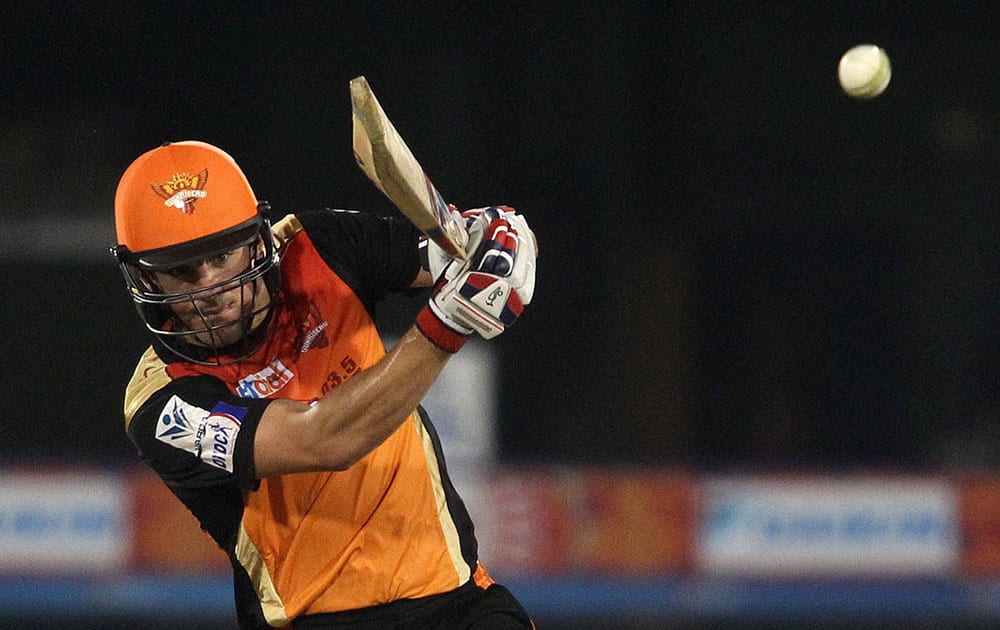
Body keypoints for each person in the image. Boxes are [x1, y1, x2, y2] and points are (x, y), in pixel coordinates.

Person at [110, 140, 537, 629]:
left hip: (458, 600)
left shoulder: (318, 245)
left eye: (223, 256)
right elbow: (324, 440)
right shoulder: (161, 403)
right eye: (181, 272)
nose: (210, 289)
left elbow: (460, 256)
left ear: (255, 239)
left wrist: (500, 240)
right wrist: (447, 326)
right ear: (146, 279)